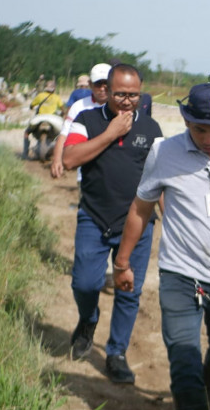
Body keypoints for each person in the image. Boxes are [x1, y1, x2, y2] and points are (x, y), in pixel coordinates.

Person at [114, 74, 210, 410]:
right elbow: (141, 209)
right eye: (199, 130)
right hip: (179, 274)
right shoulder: (164, 151)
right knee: (183, 358)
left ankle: (205, 385)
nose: (208, 139)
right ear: (186, 120)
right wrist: (123, 262)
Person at [62, 63, 163, 384]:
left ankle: (116, 352)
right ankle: (88, 319)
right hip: (93, 216)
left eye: (133, 95)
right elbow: (69, 159)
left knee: (128, 292)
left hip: (138, 223)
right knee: (85, 283)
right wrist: (111, 134)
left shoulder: (152, 129)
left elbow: (159, 180)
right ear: (107, 89)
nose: (126, 101)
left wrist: (172, 220)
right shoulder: (87, 120)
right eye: (120, 93)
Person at [50, 63, 111, 178]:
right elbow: (64, 134)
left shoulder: (120, 107)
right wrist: (57, 160)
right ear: (90, 85)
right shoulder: (79, 107)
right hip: (86, 172)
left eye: (106, 84)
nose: (103, 88)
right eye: (98, 84)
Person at [23, 80, 66, 159]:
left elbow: (31, 105)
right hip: (53, 120)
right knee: (62, 134)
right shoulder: (57, 97)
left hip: (39, 119)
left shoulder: (40, 95)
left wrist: (32, 107)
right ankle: (60, 155)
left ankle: (25, 154)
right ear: (54, 88)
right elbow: (63, 109)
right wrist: (63, 113)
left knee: (26, 132)